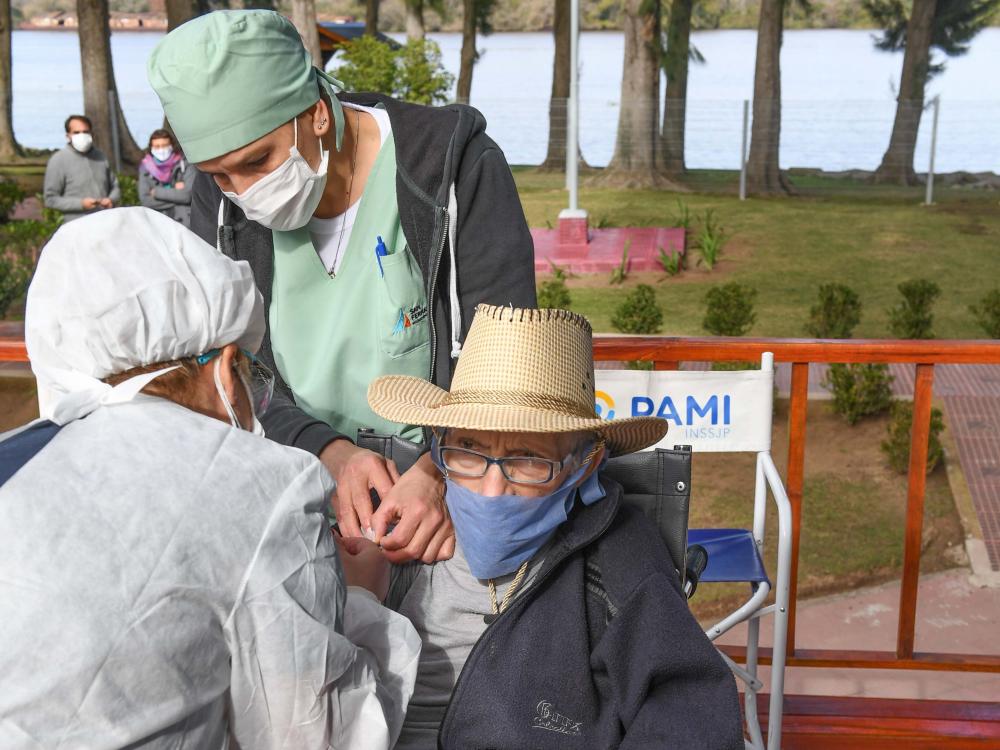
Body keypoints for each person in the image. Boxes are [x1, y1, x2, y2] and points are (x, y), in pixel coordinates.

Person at [0, 207, 419, 749]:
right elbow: (320, 733)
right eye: (253, 377)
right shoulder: (271, 484)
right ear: (225, 366)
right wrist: (361, 600)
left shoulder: (16, 453)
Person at [147, 10, 536, 563]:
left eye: (257, 161)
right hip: (297, 474)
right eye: (218, 176)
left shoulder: (453, 168)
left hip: (449, 477)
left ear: (316, 115)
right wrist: (325, 449)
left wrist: (441, 470)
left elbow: (507, 352)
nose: (243, 193)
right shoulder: (221, 204)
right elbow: (224, 360)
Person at [366, 304, 744, 749]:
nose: (491, 489)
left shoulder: (618, 554)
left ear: (586, 464)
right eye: (467, 447)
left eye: (527, 457)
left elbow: (690, 714)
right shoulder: (400, 526)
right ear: (439, 446)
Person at [43, 114, 120, 222]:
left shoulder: (100, 157)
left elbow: (115, 186)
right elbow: (50, 199)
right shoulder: (58, 160)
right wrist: (81, 204)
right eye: (76, 132)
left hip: (105, 221)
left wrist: (111, 199)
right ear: (68, 136)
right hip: (76, 225)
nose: (82, 135)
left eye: (86, 132)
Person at [138, 128, 197, 226]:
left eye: (164, 145)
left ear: (171, 146)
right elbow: (145, 200)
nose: (161, 150)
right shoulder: (145, 168)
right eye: (157, 146)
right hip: (157, 223)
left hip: (185, 223)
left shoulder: (186, 164)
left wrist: (157, 192)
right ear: (151, 148)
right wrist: (177, 196)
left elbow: (188, 196)